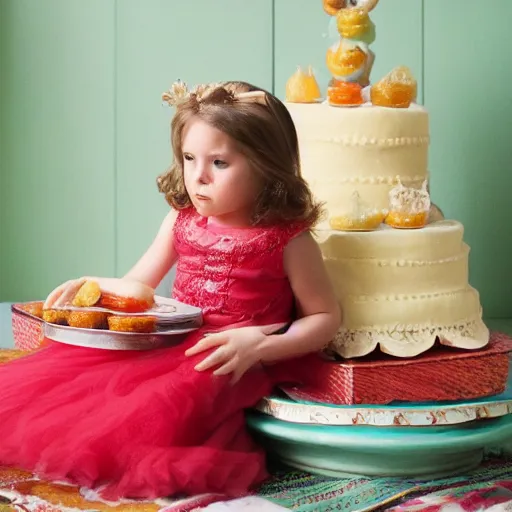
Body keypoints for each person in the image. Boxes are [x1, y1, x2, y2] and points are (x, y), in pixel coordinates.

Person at [0, 81, 341, 501]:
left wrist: (262, 344)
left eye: (219, 163)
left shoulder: (288, 240)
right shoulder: (181, 220)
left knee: (154, 410)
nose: (197, 176)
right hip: (171, 337)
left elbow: (325, 318)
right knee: (89, 384)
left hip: (227, 354)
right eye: (189, 157)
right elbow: (140, 285)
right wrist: (96, 284)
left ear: (266, 166)